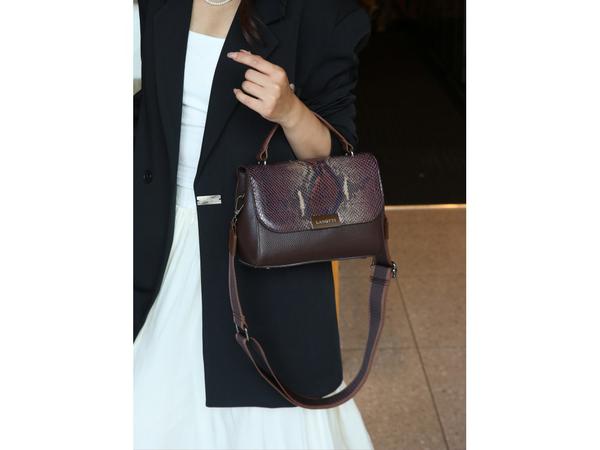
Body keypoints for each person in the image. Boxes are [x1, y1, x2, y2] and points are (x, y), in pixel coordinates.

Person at [133, 0, 373, 448]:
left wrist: (291, 111)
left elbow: (341, 164)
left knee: (259, 423)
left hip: (255, 249)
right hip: (155, 233)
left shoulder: (321, 15)